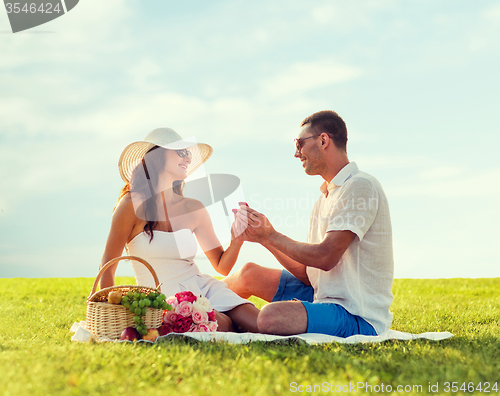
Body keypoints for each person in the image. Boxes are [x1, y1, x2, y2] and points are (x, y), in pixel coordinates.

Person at [225, 110, 394, 337]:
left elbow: (325, 257)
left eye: (300, 144)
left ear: (323, 140)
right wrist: (263, 237)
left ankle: (224, 323)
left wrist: (272, 236)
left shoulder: (360, 186)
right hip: (321, 295)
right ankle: (191, 311)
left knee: (270, 317)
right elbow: (308, 274)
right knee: (248, 274)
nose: (297, 153)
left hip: (355, 314)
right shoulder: (324, 197)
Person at [99, 127, 259, 332]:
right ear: (157, 156)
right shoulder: (131, 204)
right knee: (226, 325)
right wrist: (109, 311)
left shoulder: (194, 208)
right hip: (164, 300)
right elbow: (108, 265)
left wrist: (236, 240)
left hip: (204, 287)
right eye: (181, 152)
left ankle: (303, 312)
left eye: (188, 153)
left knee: (261, 323)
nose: (188, 158)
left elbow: (222, 266)